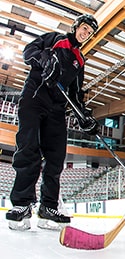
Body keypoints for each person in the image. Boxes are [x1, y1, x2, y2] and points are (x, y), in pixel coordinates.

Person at [6, 14, 100, 231]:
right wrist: (46, 60)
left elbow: (75, 95)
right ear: (76, 26)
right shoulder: (54, 39)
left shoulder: (79, 60)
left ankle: (48, 207)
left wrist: (84, 117)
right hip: (34, 98)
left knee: (56, 157)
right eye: (84, 28)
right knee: (28, 149)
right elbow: (29, 51)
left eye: (89, 32)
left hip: (57, 109)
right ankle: (22, 204)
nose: (85, 33)